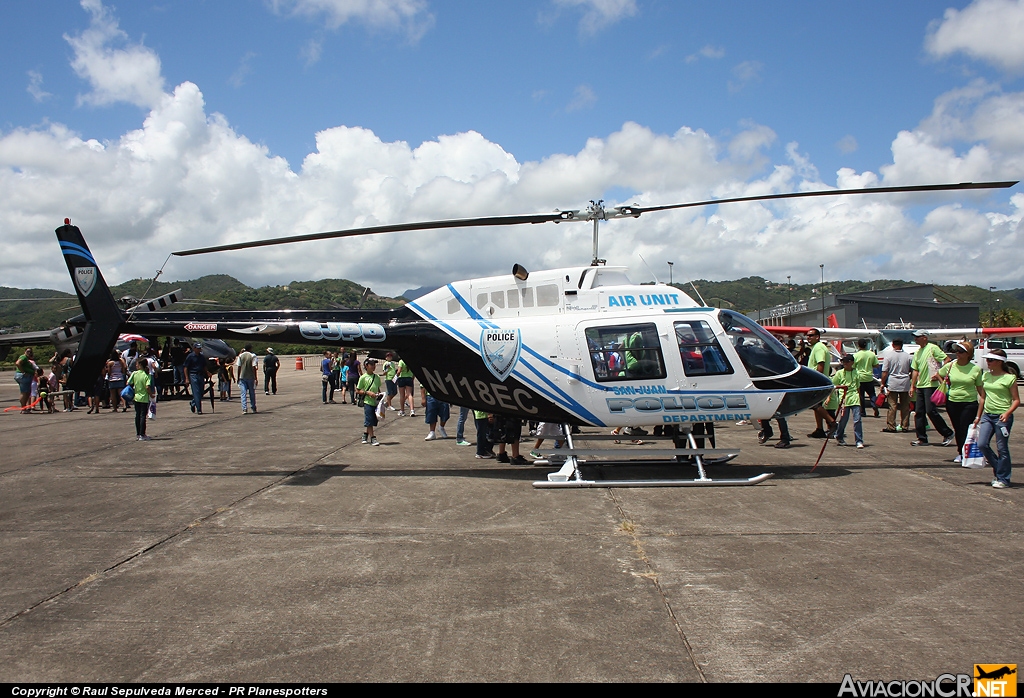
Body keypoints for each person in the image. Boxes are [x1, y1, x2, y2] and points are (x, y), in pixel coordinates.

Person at [974, 348, 1020, 488]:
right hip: (988, 415)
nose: (988, 362)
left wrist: (1007, 413)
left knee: (1002, 448)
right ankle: (999, 469)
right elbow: (983, 398)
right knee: (982, 444)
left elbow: (1016, 400)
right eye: (987, 360)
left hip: (1002, 417)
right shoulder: (986, 376)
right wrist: (978, 416)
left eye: (991, 360)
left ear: (1000, 362)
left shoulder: (1009, 378)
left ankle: (1003, 478)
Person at [937, 341, 984, 463]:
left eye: (961, 351)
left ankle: (965, 453)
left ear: (968, 354)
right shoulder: (951, 365)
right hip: (952, 402)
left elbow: (980, 389)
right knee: (957, 428)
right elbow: (938, 374)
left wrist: (984, 403)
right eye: (956, 351)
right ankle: (961, 452)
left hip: (969, 402)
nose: (957, 353)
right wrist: (944, 385)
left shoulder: (975, 369)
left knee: (965, 428)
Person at [909, 330, 955, 447]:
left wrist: (939, 373)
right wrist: (912, 386)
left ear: (925, 337)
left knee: (931, 411)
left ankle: (947, 432)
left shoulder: (932, 348)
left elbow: (947, 359)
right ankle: (922, 438)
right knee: (919, 413)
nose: (915, 339)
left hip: (931, 385)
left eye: (918, 337)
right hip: (921, 385)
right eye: (915, 337)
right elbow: (915, 370)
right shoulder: (917, 352)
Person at [806, 329, 837, 438]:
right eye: (807, 335)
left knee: (814, 404)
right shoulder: (817, 347)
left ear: (817, 337)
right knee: (816, 405)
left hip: (818, 381)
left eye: (811, 335)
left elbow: (821, 364)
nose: (808, 337)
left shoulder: (819, 347)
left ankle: (832, 423)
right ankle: (819, 429)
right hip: (818, 380)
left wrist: (817, 379)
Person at [832, 354, 864, 448]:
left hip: (855, 398)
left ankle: (859, 440)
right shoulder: (839, 373)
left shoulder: (856, 373)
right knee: (843, 420)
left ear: (852, 363)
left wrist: (860, 401)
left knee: (857, 420)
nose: (845, 363)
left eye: (847, 362)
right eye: (843, 362)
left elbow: (858, 387)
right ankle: (839, 436)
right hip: (844, 399)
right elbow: (834, 385)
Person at [880, 338, 912, 433]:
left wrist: (882, 383)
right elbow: (912, 370)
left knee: (892, 405)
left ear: (893, 345)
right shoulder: (908, 356)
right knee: (905, 406)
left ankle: (891, 426)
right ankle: (905, 426)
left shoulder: (889, 356)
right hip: (905, 382)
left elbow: (885, 371)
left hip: (893, 382)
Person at [127, 358, 155, 441]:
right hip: (144, 398)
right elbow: (147, 387)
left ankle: (138, 434)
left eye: (137, 364)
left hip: (136, 397)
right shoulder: (147, 375)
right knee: (143, 416)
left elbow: (128, 382)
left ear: (140, 365)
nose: (136, 365)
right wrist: (151, 395)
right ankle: (142, 434)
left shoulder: (134, 373)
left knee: (137, 415)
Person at [356, 358, 382, 445]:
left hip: (375, 402)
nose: (373, 366)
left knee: (372, 421)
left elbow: (378, 388)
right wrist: (367, 393)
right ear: (366, 366)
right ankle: (373, 438)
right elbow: (358, 390)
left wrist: (379, 395)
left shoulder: (377, 377)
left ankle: (365, 434)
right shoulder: (363, 377)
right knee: (369, 420)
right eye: (371, 365)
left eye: (374, 365)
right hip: (367, 402)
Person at [853, 338, 880, 418]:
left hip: (859, 377)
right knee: (872, 393)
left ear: (858, 345)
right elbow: (876, 365)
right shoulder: (871, 354)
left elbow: (853, 366)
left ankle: (862, 412)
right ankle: (874, 404)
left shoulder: (856, 355)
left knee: (861, 395)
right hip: (869, 377)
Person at [183, 342, 209, 414]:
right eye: (198, 348)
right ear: (194, 349)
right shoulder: (190, 356)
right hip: (193, 375)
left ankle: (193, 403)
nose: (199, 349)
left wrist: (207, 373)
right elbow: (185, 367)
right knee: (196, 392)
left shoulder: (202, 357)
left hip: (201, 375)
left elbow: (204, 366)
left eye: (200, 348)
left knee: (201, 392)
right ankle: (199, 409)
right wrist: (187, 378)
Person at [236, 344, 258, 415]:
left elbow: (239, 367)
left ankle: (244, 408)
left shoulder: (240, 356)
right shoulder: (253, 355)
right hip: (250, 376)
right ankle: (253, 407)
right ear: (250, 348)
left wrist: (238, 377)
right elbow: (254, 367)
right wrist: (255, 377)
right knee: (252, 393)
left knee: (243, 393)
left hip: (242, 377)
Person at [14, 347, 36, 414]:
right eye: (28, 351)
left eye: (30, 352)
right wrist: (23, 372)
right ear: (25, 352)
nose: (29, 353)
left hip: (25, 376)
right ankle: (23, 408)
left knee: (27, 392)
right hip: (23, 376)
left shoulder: (27, 359)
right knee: (24, 392)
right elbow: (18, 363)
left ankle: (24, 407)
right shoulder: (23, 357)